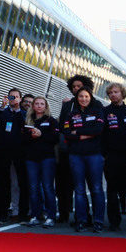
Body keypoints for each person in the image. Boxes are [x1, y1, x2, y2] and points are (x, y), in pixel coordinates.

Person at [63, 87, 106, 232]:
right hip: (76, 155)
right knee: (79, 189)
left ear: (91, 97)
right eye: (81, 96)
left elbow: (99, 130)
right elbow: (67, 133)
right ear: (77, 98)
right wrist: (85, 134)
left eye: (86, 96)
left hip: (94, 155)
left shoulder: (97, 111)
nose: (83, 99)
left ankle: (98, 221)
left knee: (96, 188)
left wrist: (79, 132)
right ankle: (81, 220)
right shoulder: (71, 114)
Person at [102, 83, 126, 232]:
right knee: (112, 191)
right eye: (110, 93)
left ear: (122, 93)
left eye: (116, 92)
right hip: (112, 156)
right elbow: (101, 135)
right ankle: (114, 222)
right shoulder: (104, 112)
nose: (113, 95)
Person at [57, 75, 93, 222]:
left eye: (79, 86)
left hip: (86, 151)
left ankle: (83, 216)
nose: (76, 89)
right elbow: (62, 126)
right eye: (74, 87)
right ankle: (64, 213)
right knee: (62, 184)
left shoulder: (93, 105)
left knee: (81, 185)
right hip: (66, 149)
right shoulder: (67, 105)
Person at [23, 96, 58, 227]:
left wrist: (41, 134)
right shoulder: (28, 120)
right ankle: (35, 215)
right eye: (36, 103)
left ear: (46, 106)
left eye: (41, 104)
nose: (38, 106)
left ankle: (50, 216)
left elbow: (55, 138)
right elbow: (23, 139)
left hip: (47, 158)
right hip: (31, 159)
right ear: (33, 106)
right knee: (33, 188)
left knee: (48, 187)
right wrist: (30, 135)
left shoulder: (51, 121)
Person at [0, 88, 29, 222]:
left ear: (20, 99)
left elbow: (25, 125)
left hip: (19, 154)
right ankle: (3, 211)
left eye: (16, 97)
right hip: (4, 153)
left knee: (18, 183)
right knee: (4, 183)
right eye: (11, 97)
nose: (13, 99)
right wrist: (2, 107)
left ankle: (19, 212)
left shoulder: (24, 114)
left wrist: (17, 111)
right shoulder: (3, 113)